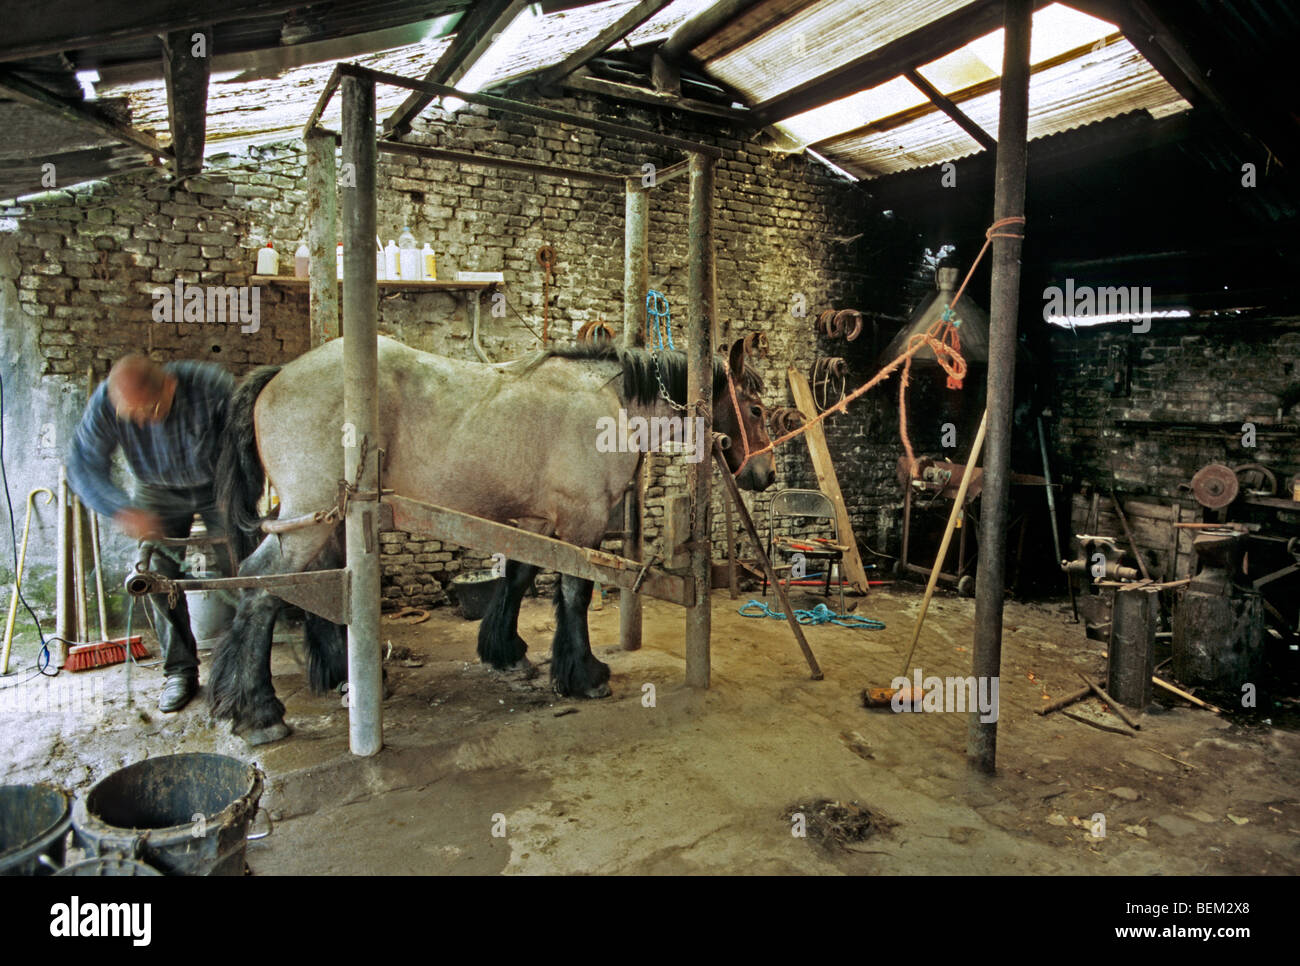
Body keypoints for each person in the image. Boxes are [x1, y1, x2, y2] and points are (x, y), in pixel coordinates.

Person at [67, 354, 236, 712]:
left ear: (170, 386)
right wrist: (121, 509)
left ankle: (241, 666)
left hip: (219, 484)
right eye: (131, 416)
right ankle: (180, 671)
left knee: (240, 570)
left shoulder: (213, 386)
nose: (139, 422)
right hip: (156, 488)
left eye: (147, 411)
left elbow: (250, 443)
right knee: (156, 576)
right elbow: (83, 464)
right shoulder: (108, 402)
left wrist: (244, 500)